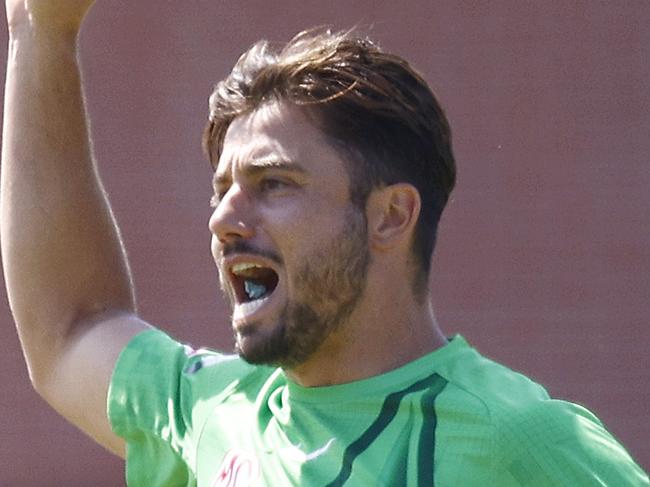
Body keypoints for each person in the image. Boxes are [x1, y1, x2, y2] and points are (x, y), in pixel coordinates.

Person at [1, 1, 648, 486]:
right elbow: (72, 325)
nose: (225, 216)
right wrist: (39, 31)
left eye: (273, 182)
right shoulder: (213, 411)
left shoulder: (517, 440)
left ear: (391, 216)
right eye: (221, 188)